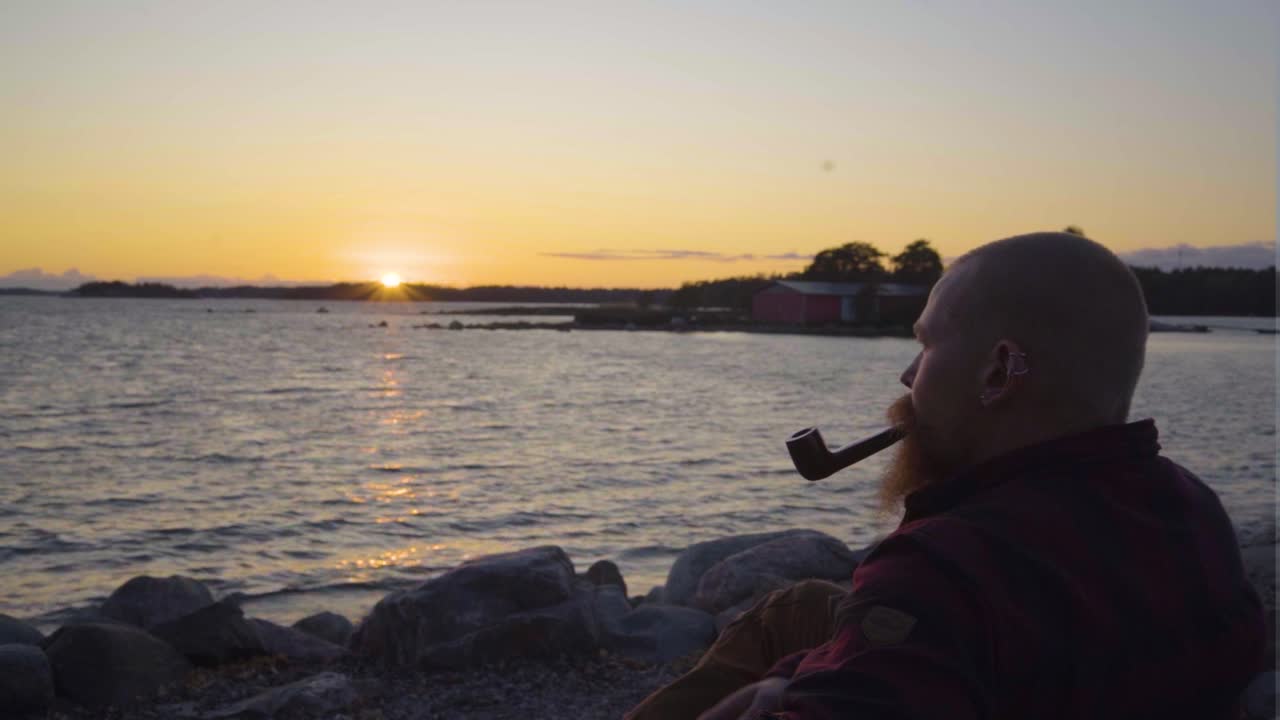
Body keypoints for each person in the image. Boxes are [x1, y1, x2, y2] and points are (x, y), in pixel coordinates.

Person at [626, 232, 1266, 720]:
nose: (908, 376)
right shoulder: (1191, 506)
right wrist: (799, 671)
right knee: (798, 609)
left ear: (999, 373)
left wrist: (790, 697)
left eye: (927, 345)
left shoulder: (946, 568)